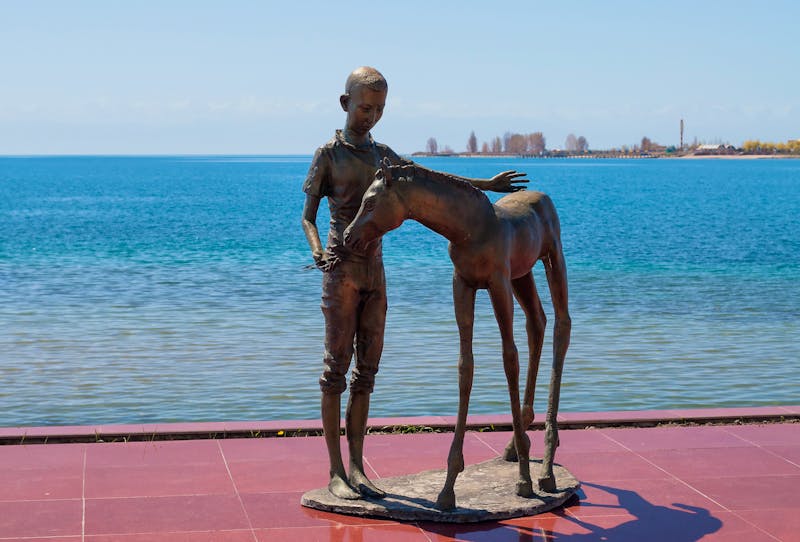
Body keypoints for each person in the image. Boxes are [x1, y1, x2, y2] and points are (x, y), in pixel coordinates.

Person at [301, 66, 527, 500]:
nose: (371, 116)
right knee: (335, 371)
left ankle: (357, 467)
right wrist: (316, 251)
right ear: (345, 103)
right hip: (341, 271)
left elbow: (435, 182)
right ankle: (335, 472)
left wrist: (487, 184)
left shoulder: (384, 157)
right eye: (365, 107)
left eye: (380, 109)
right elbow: (307, 217)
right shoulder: (328, 155)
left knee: (367, 372)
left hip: (375, 271)